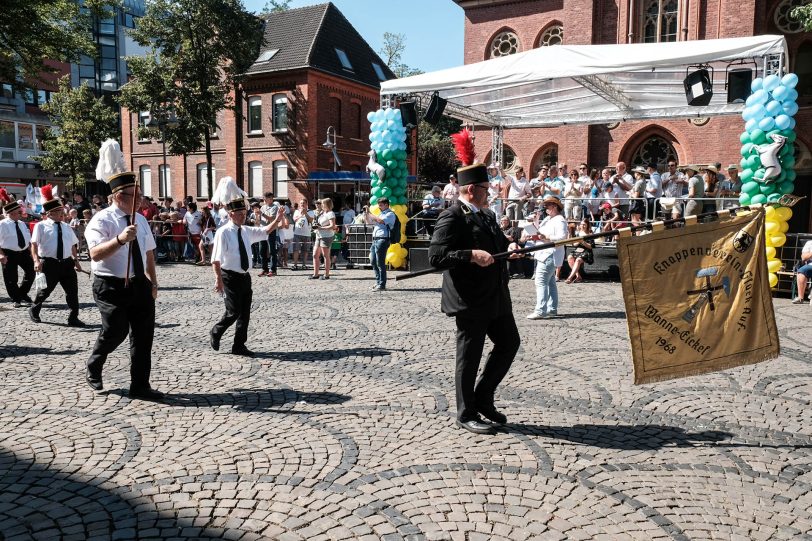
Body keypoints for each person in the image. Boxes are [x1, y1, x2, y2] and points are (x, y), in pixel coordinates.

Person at [428, 163, 520, 435]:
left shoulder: (488, 215)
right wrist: (470, 254)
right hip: (470, 299)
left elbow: (498, 246)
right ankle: (466, 412)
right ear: (471, 189)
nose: (490, 191)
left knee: (509, 343)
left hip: (496, 296)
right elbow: (436, 258)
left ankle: (483, 396)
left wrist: (511, 247)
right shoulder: (452, 216)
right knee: (469, 357)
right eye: (485, 187)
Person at [84, 171, 162, 399]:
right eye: (134, 196)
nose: (140, 201)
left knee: (143, 335)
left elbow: (148, 252)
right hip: (110, 285)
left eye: (141, 196)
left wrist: (153, 281)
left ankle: (140, 385)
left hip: (139, 284)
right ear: (118, 196)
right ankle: (94, 365)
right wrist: (119, 240)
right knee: (115, 330)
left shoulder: (142, 219)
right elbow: (95, 254)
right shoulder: (102, 220)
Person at [210, 186, 285, 357]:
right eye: (239, 214)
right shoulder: (223, 232)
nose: (243, 216)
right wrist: (218, 280)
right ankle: (216, 331)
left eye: (244, 213)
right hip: (229, 276)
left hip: (244, 277)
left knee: (245, 313)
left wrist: (278, 219)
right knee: (233, 311)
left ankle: (239, 345)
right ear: (231, 214)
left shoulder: (245, 231)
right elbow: (215, 259)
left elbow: (265, 231)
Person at [29, 188, 85, 327]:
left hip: (67, 264)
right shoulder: (41, 226)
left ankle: (73, 317)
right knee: (44, 291)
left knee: (72, 292)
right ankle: (34, 310)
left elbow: (73, 245)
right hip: (49, 263)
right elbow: (34, 244)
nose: (63, 213)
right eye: (59, 211)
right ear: (50, 213)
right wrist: (36, 260)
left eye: (62, 211)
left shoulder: (66, 226)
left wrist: (76, 261)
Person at [526, 195, 568, 320]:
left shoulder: (560, 220)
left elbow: (562, 238)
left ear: (554, 206)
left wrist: (546, 238)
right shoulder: (549, 219)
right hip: (544, 253)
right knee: (550, 283)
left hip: (549, 253)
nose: (545, 208)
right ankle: (551, 309)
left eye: (547, 205)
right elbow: (539, 232)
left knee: (541, 281)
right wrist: (535, 227)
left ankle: (540, 310)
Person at [0, 190, 34, 307]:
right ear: (11, 213)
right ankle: (16, 298)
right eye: (18, 212)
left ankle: (22, 293)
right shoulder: (2, 224)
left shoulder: (22, 223)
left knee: (31, 272)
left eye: (20, 212)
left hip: (23, 252)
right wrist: (1, 254)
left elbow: (27, 240)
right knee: (11, 277)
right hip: (9, 253)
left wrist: (32, 254)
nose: (21, 214)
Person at [364, 196, 396, 291]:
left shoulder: (390, 214)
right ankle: (378, 282)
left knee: (380, 262)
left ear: (386, 205)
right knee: (373, 261)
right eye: (378, 205)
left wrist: (370, 213)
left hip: (383, 239)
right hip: (375, 239)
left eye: (381, 205)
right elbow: (369, 224)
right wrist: (366, 214)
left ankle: (382, 284)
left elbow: (381, 221)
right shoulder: (380, 214)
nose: (379, 207)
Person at [311, 197, 336, 280]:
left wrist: (321, 228)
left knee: (325, 255)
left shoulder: (330, 213)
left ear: (326, 204)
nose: (320, 205)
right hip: (319, 235)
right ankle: (315, 274)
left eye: (322, 203)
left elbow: (332, 226)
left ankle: (327, 274)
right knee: (315, 254)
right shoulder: (322, 213)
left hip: (326, 236)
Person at [565, 219, 594, 283]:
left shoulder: (590, 233)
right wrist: (578, 242)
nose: (582, 226)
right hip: (578, 250)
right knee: (569, 257)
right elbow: (574, 244)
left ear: (587, 225)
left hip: (586, 251)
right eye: (581, 224)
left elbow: (591, 246)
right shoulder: (578, 233)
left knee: (578, 260)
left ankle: (570, 277)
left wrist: (583, 242)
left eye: (584, 225)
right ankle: (578, 276)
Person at [259, 191, 281, 277]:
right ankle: (264, 269)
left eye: (265, 198)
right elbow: (260, 220)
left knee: (272, 251)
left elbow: (271, 219)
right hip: (262, 230)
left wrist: (262, 214)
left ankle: (273, 269)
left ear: (270, 198)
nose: (263, 199)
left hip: (271, 230)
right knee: (262, 251)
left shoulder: (275, 207)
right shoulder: (262, 207)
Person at [291, 200, 314, 271]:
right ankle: (295, 265)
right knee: (296, 249)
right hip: (297, 233)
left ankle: (304, 264)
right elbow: (294, 220)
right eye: (301, 203)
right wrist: (301, 214)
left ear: (307, 204)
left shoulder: (310, 212)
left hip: (307, 234)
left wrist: (306, 213)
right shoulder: (297, 211)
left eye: (304, 203)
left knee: (305, 250)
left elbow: (311, 221)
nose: (302, 204)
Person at [793, 240, 812, 304]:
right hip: (810, 265)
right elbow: (803, 257)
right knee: (801, 271)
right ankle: (800, 298)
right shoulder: (809, 243)